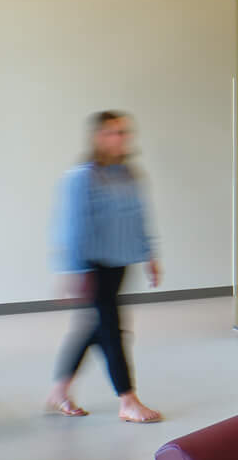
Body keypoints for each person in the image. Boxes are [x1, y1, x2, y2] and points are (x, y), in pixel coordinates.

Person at [45, 110, 164, 423]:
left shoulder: (129, 174)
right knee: (111, 329)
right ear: (98, 137)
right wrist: (74, 271)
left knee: (96, 328)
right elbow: (71, 227)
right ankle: (128, 400)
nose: (120, 138)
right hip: (93, 266)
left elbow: (140, 217)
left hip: (120, 263)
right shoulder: (82, 177)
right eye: (113, 132)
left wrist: (150, 255)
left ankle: (59, 390)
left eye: (124, 132)